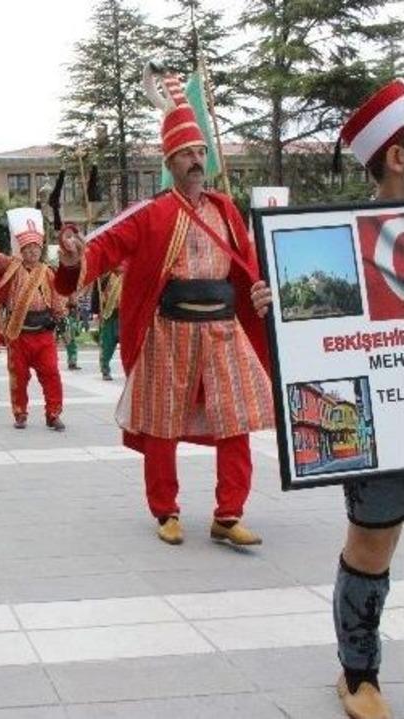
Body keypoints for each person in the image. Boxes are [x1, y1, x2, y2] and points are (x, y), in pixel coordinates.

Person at [56, 63, 272, 547]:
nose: (195, 159)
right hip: (169, 330)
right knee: (161, 424)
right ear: (170, 162)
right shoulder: (152, 213)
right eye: (186, 153)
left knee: (234, 421)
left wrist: (260, 291)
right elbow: (103, 248)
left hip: (223, 329)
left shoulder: (226, 209)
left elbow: (249, 267)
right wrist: (75, 256)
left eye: (200, 151)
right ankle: (165, 511)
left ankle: (229, 513)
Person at [251, 78, 404, 719]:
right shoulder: (340, 235)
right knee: (372, 544)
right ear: (396, 155)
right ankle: (358, 673)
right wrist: (274, 310)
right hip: (384, 422)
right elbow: (323, 339)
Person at [0, 207, 67, 431]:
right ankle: (20, 413)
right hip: (19, 332)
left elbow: (57, 299)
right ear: (21, 249)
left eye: (36, 248)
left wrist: (61, 317)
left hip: (44, 333)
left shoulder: (47, 272)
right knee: (18, 377)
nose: (32, 252)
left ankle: (53, 413)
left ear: (41, 249)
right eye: (28, 248)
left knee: (51, 373)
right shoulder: (11, 266)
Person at [93, 269, 122, 381]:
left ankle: (130, 370)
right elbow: (96, 293)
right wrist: (96, 310)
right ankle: (105, 369)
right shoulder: (103, 276)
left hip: (126, 315)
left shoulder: (129, 273)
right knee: (107, 344)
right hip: (108, 314)